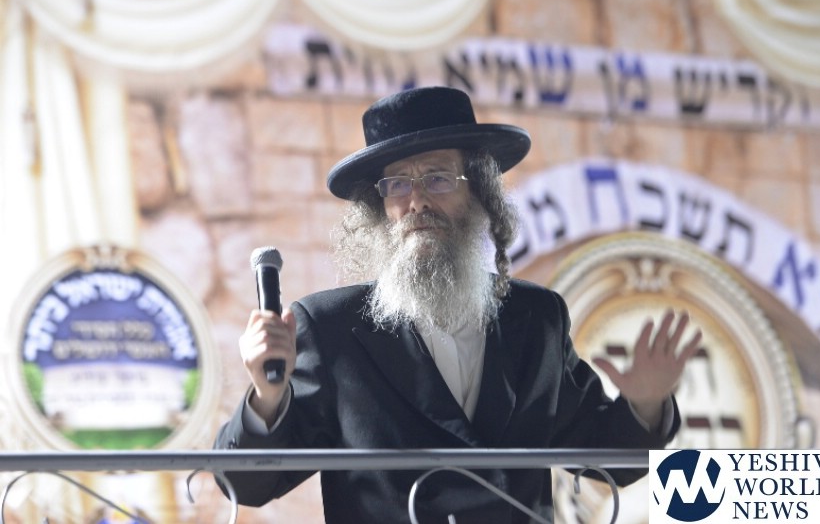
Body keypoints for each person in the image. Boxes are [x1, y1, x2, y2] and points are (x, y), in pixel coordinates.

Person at [214, 86, 701, 523]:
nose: (417, 201)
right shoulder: (331, 329)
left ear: (479, 192)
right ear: (379, 208)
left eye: (438, 178)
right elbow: (246, 485)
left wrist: (645, 404)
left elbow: (609, 461)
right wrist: (267, 399)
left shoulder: (537, 319)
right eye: (397, 184)